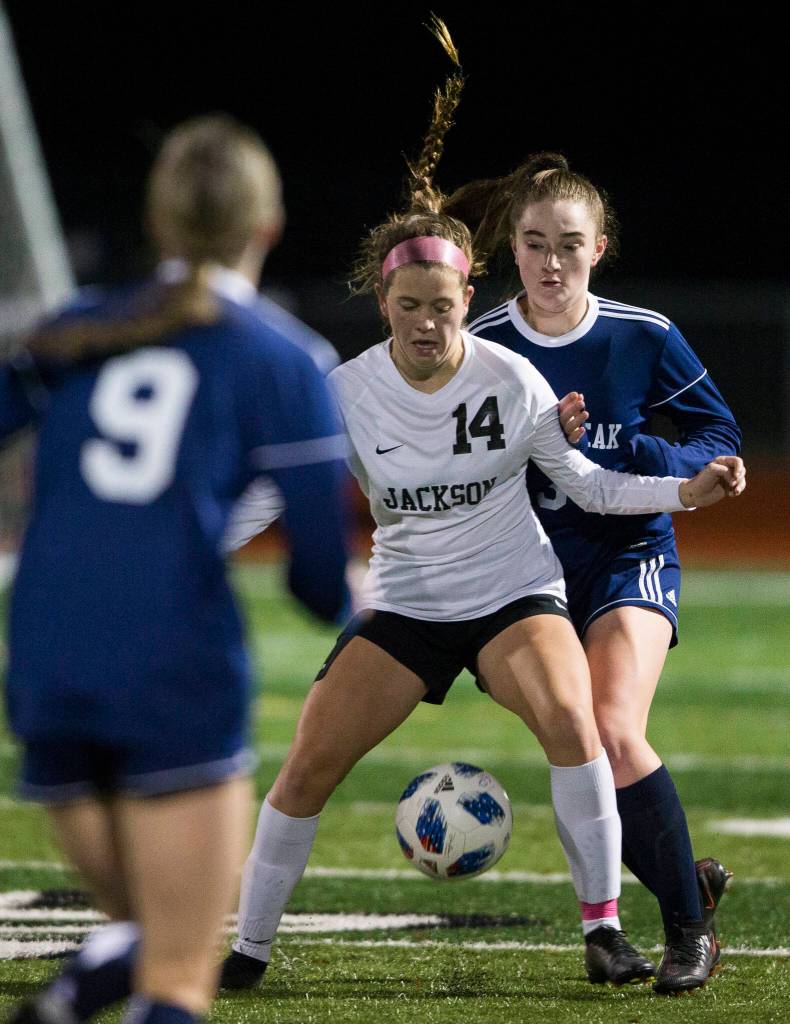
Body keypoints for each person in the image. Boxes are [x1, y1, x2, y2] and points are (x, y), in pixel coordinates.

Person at [219, 69, 745, 993]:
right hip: (416, 601)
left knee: (594, 725)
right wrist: (186, 542)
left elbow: (599, 477)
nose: (428, 320)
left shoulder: (527, 371)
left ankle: (633, 929)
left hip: (541, 581)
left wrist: (681, 489)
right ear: (383, 303)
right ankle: (245, 951)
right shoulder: (347, 387)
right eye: (409, 305)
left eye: (443, 305)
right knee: (308, 758)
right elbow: (268, 498)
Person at [1, 114, 350, 1024]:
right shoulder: (284, 359)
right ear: (265, 226)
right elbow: (316, 585)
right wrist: (365, 596)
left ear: (158, 223)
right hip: (170, 665)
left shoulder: (74, 331)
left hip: (44, 661)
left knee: (146, 930)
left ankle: (74, 993)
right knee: (180, 978)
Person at [443, 151, 740, 993]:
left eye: (568, 245)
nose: (549, 262)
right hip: (523, 579)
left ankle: (689, 932)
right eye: (534, 244)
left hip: (628, 554)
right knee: (583, 756)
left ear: (599, 248)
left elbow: (717, 437)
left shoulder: (642, 336)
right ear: (512, 247)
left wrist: (656, 458)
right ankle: (686, 881)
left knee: (610, 730)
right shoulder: (484, 346)